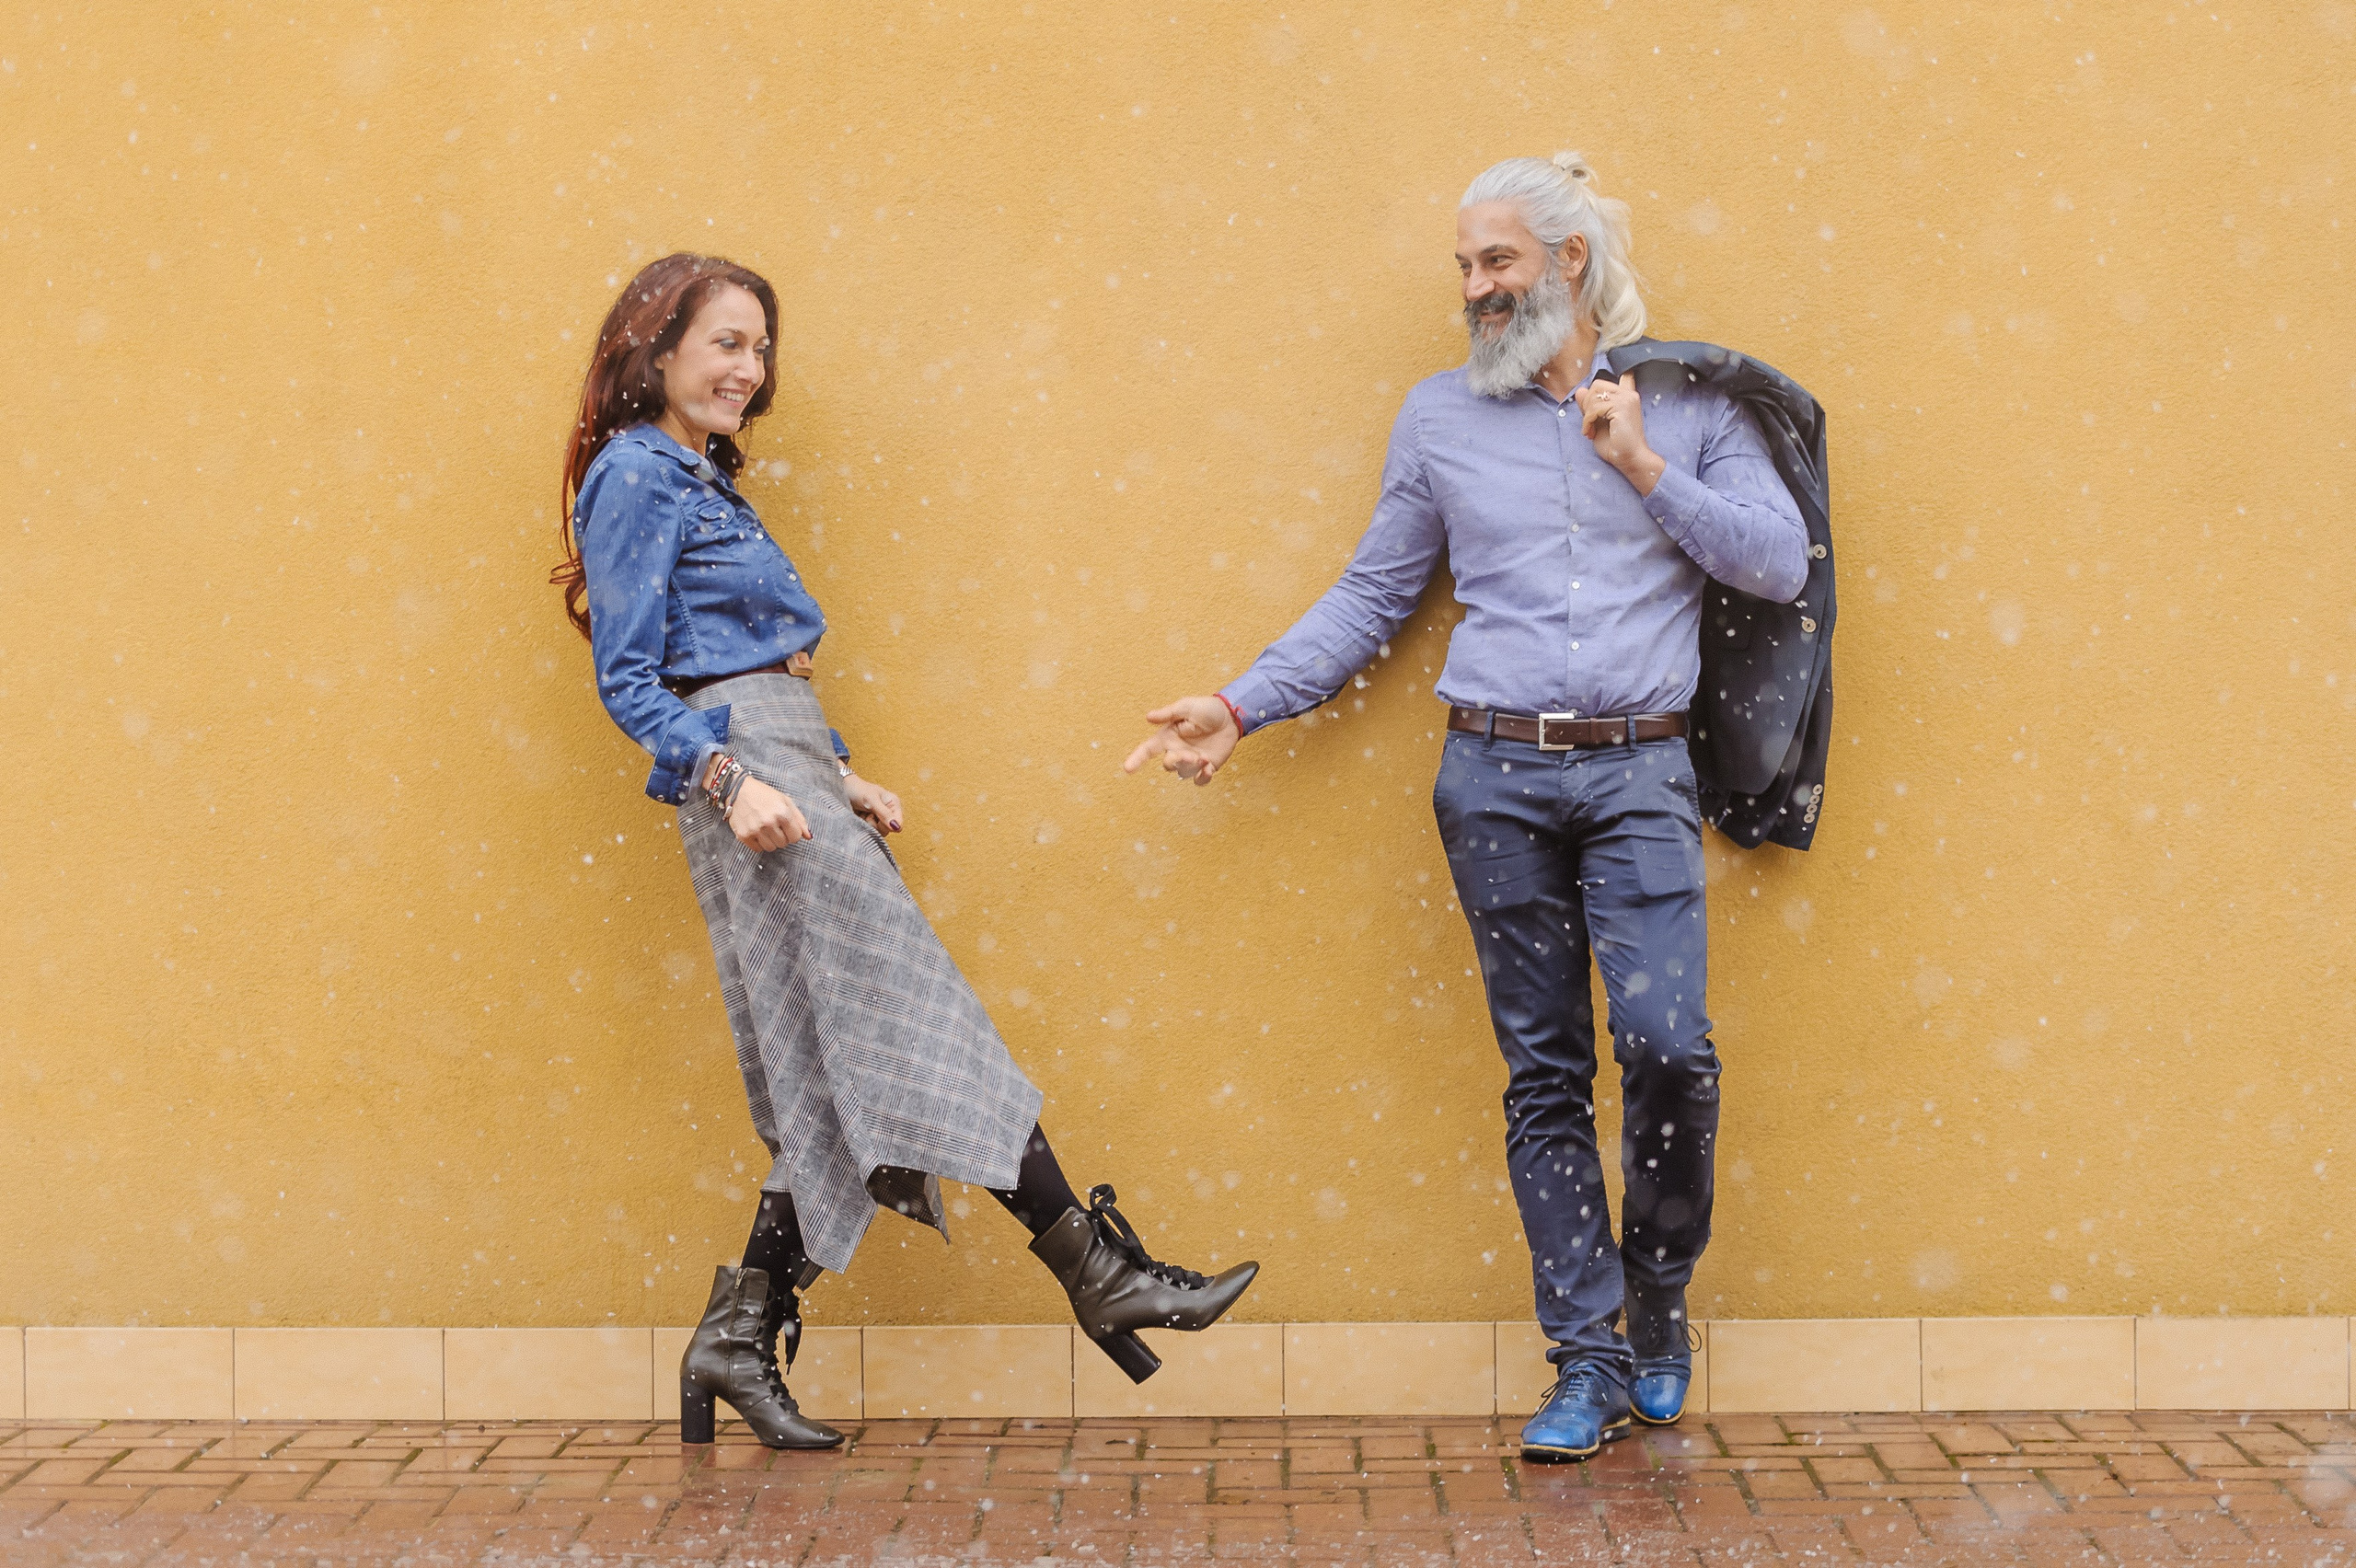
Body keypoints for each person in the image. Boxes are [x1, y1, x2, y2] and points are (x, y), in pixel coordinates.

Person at [1125, 154, 1812, 1461]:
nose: (1475, 289)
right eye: (1463, 267)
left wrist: (1646, 467)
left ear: (1567, 262)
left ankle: (1658, 1293)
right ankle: (1589, 1354)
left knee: (1669, 1047)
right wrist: (1242, 703)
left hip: (1638, 771)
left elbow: (1777, 564)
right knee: (1544, 1073)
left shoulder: (1686, 400)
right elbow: (1376, 594)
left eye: (1495, 261)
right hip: (1492, 777)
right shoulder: (1440, 417)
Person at [555, 253, 1257, 1448]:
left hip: (791, 775)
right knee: (923, 1028)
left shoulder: (701, 476)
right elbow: (632, 680)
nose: (749, 368)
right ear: (653, 348)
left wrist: (831, 769)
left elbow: (742, 663)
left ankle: (739, 1332)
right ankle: (1097, 1272)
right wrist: (731, 781)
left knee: (841, 1082)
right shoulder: (633, 474)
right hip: (750, 789)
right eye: (725, 342)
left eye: (760, 347)